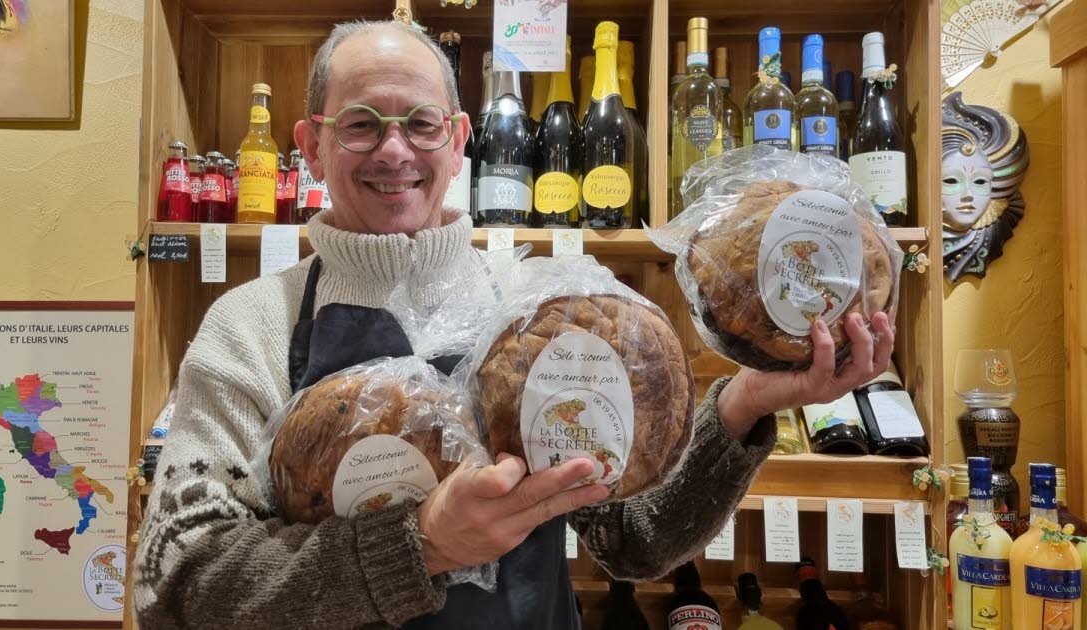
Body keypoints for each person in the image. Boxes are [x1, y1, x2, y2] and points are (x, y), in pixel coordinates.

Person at [132, 20, 895, 629]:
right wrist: (422, 547)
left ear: (459, 140)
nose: (394, 149)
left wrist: (747, 401)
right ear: (312, 144)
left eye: (421, 124)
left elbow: (632, 537)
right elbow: (181, 582)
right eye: (362, 124)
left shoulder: (536, 306)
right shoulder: (252, 325)